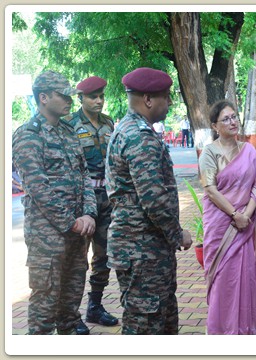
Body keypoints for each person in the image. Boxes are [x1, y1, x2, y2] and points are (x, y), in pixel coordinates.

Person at [105, 67, 192, 335]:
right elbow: (153, 200)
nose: (169, 103)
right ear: (148, 99)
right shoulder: (140, 137)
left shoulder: (132, 129)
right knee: (145, 325)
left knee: (161, 317)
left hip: (145, 247)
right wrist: (178, 234)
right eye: (167, 97)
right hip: (141, 249)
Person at [12, 70, 97, 335]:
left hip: (78, 234)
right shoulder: (27, 135)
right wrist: (70, 222)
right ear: (44, 97)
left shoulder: (69, 132)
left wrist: (89, 214)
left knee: (70, 308)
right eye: (63, 95)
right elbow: (38, 188)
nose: (69, 100)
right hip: (48, 237)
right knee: (44, 311)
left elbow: (84, 175)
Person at [198, 100, 256, 334]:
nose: (233, 122)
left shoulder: (248, 151)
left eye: (234, 117)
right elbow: (210, 189)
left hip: (245, 224)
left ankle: (246, 332)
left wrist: (246, 215)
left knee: (246, 279)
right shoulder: (209, 153)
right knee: (224, 281)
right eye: (226, 119)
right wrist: (234, 215)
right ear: (214, 126)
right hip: (221, 226)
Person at [68, 76, 118, 334]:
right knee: (78, 259)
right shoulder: (69, 125)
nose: (98, 101)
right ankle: (71, 314)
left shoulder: (109, 123)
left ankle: (95, 307)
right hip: (81, 202)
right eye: (92, 97)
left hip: (106, 200)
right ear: (81, 99)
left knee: (104, 255)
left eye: (101, 96)